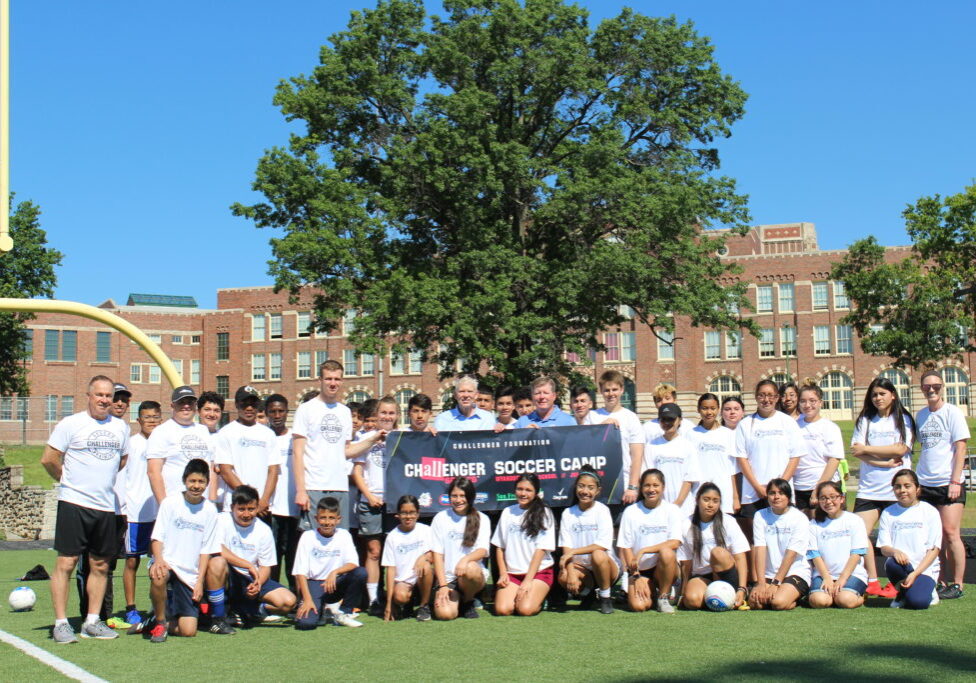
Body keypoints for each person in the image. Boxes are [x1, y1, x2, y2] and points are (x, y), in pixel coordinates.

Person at [41, 375, 131, 644]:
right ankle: (61, 624)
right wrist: (67, 482)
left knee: (100, 565)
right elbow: (48, 458)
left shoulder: (121, 427)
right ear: (89, 396)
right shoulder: (71, 424)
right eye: (99, 395)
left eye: (108, 395)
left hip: (105, 506)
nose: (104, 400)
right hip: (74, 504)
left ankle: (92, 621)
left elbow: (122, 459)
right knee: (66, 563)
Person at [292, 360, 384, 531]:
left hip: (340, 487)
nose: (332, 383)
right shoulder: (306, 409)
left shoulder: (344, 412)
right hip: (314, 486)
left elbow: (346, 452)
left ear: (342, 381)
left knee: (339, 541)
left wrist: (373, 439)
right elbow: (298, 454)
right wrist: (301, 490)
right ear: (320, 380)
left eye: (336, 379)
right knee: (314, 540)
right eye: (328, 379)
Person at [850, 376, 914, 598]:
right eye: (874, 394)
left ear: (893, 395)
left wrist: (868, 449)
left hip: (897, 489)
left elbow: (900, 449)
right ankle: (873, 580)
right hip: (869, 488)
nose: (878, 398)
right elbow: (857, 452)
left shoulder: (903, 418)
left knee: (898, 539)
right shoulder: (865, 420)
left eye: (882, 394)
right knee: (859, 533)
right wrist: (882, 461)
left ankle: (899, 583)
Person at [77, 381, 132, 628]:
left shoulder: (125, 431)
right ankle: (89, 614)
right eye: (114, 398)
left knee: (108, 566)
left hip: (118, 510)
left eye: (123, 399)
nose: (118, 403)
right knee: (87, 564)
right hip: (90, 506)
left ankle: (105, 615)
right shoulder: (88, 429)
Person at [146, 459, 220, 643]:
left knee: (188, 631)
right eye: (192, 481)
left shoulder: (210, 510)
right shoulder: (170, 503)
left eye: (201, 482)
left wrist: (200, 581)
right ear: (185, 480)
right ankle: (161, 623)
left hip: (190, 573)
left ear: (207, 483)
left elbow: (206, 550)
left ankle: (154, 620)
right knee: (158, 575)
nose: (196, 486)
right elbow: (157, 537)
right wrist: (159, 560)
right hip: (168, 563)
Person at [914, 369, 970, 600]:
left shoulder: (952, 413)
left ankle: (957, 584)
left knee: (951, 533)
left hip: (948, 483)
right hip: (925, 484)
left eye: (935, 385)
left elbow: (961, 447)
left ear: (942, 386)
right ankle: (939, 580)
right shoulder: (921, 415)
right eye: (927, 386)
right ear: (921, 389)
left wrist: (955, 481)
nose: (931, 389)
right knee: (933, 537)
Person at [209, 485, 297, 625]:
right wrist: (247, 564)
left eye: (251, 509)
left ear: (257, 508)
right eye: (241, 509)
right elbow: (218, 549)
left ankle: (255, 611)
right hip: (229, 576)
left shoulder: (264, 530)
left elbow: (266, 566)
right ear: (232, 507)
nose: (246, 514)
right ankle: (218, 615)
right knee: (217, 562)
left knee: (288, 602)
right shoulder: (221, 520)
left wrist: (258, 583)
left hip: (250, 578)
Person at [734, 379, 806, 541]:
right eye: (762, 395)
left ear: (777, 397)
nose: (766, 400)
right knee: (757, 540)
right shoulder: (745, 424)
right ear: (756, 397)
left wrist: (779, 488)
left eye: (770, 395)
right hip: (754, 493)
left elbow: (795, 456)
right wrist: (758, 488)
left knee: (783, 538)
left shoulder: (787, 422)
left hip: (782, 492)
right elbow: (742, 459)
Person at [352, 395, 398, 614]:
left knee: (393, 550)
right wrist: (368, 495)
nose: (387, 417)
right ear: (377, 415)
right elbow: (357, 471)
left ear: (397, 416)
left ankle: (395, 595)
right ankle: (373, 599)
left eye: (391, 413)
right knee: (373, 551)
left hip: (395, 503)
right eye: (383, 413)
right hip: (371, 500)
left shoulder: (402, 436)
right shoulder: (367, 438)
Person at [293, 496, 366, 629]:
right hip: (314, 584)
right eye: (323, 518)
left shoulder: (344, 535)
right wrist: (307, 599)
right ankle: (319, 610)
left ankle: (344, 613)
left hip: (335, 583)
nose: (327, 522)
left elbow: (353, 563)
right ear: (316, 519)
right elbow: (300, 573)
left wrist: (335, 572)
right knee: (306, 624)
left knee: (360, 573)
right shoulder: (307, 537)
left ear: (338, 519)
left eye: (331, 518)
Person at [617, 469, 682, 614]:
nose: (651, 489)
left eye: (655, 485)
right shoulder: (631, 512)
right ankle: (650, 589)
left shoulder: (672, 510)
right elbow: (625, 547)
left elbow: (675, 542)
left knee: (667, 552)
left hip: (663, 567)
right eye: (647, 485)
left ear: (663, 487)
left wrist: (644, 550)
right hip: (639, 570)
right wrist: (636, 575)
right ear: (641, 487)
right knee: (639, 607)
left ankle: (663, 597)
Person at [121, 400, 162, 627]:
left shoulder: (165, 443)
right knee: (132, 562)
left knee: (160, 562)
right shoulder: (131, 444)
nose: (152, 422)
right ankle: (131, 608)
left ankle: (159, 607)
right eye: (147, 418)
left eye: (155, 417)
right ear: (139, 421)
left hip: (160, 514)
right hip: (136, 514)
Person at [492, 474, 556, 616]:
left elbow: (541, 550)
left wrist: (528, 581)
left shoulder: (545, 512)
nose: (523, 493)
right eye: (520, 489)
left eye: (528, 490)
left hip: (538, 573)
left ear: (536, 493)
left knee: (525, 609)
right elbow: (499, 547)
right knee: (503, 609)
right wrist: (503, 573)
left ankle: (541, 600)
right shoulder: (507, 512)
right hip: (513, 573)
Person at [878, 469, 943, 609]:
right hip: (900, 567)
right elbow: (884, 548)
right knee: (891, 563)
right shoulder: (888, 513)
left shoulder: (930, 511)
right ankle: (902, 591)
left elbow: (934, 549)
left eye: (907, 486)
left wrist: (915, 573)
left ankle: (928, 590)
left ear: (917, 488)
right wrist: (894, 552)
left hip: (924, 569)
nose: (902, 490)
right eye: (897, 486)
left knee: (918, 603)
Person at [678, 483, 749, 610]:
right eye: (706, 500)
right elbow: (686, 563)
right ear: (697, 500)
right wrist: (683, 592)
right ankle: (714, 597)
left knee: (718, 553)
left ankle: (730, 594)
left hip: (726, 575)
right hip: (701, 576)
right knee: (692, 601)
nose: (710, 504)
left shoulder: (729, 522)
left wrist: (742, 588)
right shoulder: (686, 524)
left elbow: (740, 557)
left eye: (715, 501)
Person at [558, 467, 618, 614]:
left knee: (597, 554)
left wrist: (573, 551)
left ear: (598, 491)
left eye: (590, 488)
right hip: (581, 567)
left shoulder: (602, 510)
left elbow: (602, 545)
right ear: (575, 488)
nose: (585, 491)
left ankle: (605, 597)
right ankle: (588, 593)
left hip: (606, 565)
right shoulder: (568, 513)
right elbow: (566, 547)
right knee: (564, 576)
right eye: (581, 486)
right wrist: (571, 572)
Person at [214, 387, 280, 518]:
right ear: (237, 405)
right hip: (237, 505)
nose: (249, 408)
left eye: (253, 403)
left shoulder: (268, 434)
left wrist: (263, 501)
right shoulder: (226, 432)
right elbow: (226, 471)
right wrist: (249, 501)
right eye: (244, 403)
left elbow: (273, 470)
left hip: (262, 507)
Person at [431, 477, 490, 620]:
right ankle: (456, 599)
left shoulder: (482, 518)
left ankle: (468, 601)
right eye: (454, 496)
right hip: (449, 578)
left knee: (470, 568)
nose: (458, 500)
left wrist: (465, 559)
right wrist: (443, 585)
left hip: (471, 576)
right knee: (445, 615)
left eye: (462, 496)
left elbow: (482, 550)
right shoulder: (440, 518)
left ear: (470, 497)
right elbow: (437, 554)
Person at [748, 479, 809, 611]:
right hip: (769, 574)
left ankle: (796, 599)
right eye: (772, 493)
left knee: (778, 603)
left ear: (788, 496)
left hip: (794, 572)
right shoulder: (760, 515)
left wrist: (776, 583)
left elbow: (791, 554)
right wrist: (761, 583)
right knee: (755, 603)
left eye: (781, 493)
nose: (776, 497)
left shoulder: (799, 518)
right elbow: (760, 549)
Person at [807, 480, 868, 609]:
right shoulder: (813, 524)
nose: (828, 502)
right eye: (823, 498)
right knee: (819, 601)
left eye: (833, 497)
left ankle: (860, 596)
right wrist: (827, 578)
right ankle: (832, 595)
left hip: (852, 574)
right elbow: (814, 554)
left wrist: (842, 579)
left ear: (842, 498)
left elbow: (856, 553)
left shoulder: (854, 520)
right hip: (824, 574)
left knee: (845, 600)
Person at [146, 386, 214, 502]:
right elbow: (153, 472)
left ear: (195, 406)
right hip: (174, 502)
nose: (186, 406)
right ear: (172, 405)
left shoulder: (203, 431)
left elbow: (211, 469)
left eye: (190, 402)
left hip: (202, 503)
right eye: (181, 402)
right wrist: (164, 505)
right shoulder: (162, 431)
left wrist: (211, 501)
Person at [593, 370, 644, 506]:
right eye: (607, 390)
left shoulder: (631, 418)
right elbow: (587, 448)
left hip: (624, 484)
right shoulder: (592, 417)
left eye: (614, 389)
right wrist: (602, 428)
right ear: (601, 391)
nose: (611, 394)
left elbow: (637, 456)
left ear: (622, 390)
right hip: (597, 485)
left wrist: (633, 487)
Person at [381, 495, 434, 622]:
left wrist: (424, 557)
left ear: (418, 514)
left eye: (412, 512)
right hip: (404, 582)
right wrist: (389, 603)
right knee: (400, 596)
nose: (408, 516)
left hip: (424, 578)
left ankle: (424, 606)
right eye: (404, 513)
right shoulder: (392, 537)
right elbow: (390, 569)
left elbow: (436, 554)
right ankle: (406, 605)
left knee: (425, 566)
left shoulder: (426, 530)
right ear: (398, 514)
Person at [266, 394, 299, 592]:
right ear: (267, 413)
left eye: (281, 411)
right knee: (273, 557)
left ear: (287, 412)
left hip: (294, 506)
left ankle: (295, 597)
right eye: (272, 411)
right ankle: (273, 597)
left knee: (294, 557)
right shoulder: (263, 436)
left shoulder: (295, 437)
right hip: (271, 508)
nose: (277, 415)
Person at [795, 384, 844, 516]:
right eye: (803, 401)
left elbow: (834, 460)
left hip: (824, 487)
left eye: (812, 401)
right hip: (799, 486)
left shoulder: (830, 427)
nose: (807, 405)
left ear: (820, 403)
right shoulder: (793, 426)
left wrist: (818, 489)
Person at [642, 404, 700, 514]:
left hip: (684, 509)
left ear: (680, 420)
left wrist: (677, 503)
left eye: (671, 419)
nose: (667, 423)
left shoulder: (688, 446)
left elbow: (690, 478)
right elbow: (649, 478)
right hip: (658, 508)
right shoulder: (651, 445)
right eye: (663, 419)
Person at [688, 393, 739, 514]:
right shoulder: (690, 435)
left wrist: (735, 497)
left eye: (712, 408)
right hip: (699, 490)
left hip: (724, 491)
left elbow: (733, 469)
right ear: (698, 409)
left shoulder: (728, 434)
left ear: (718, 409)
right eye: (704, 408)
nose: (709, 412)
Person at [512, 376, 577, 428]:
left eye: (546, 393)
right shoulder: (522, 422)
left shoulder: (568, 421)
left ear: (554, 396)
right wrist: (524, 434)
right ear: (532, 397)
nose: (542, 397)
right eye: (537, 393)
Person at [197, 391, 225, 506]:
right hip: (196, 497)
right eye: (207, 409)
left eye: (216, 410)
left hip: (219, 499)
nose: (212, 414)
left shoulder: (223, 437)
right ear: (199, 412)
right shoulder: (192, 437)